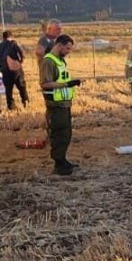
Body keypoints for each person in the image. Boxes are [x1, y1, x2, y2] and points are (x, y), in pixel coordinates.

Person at [39, 35, 82, 175]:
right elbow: (45, 83)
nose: (69, 51)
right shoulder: (48, 62)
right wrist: (66, 84)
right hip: (55, 105)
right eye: (67, 48)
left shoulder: (60, 60)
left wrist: (71, 83)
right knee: (59, 134)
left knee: (66, 134)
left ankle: (63, 159)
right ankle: (58, 164)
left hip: (64, 103)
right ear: (59, 45)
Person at [1, 31, 29, 110]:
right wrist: (20, 62)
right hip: (15, 70)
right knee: (21, 87)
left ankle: (11, 106)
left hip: (5, 71)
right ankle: (25, 102)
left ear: (3, 37)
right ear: (11, 36)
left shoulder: (0, 45)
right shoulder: (13, 43)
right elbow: (22, 54)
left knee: (8, 90)